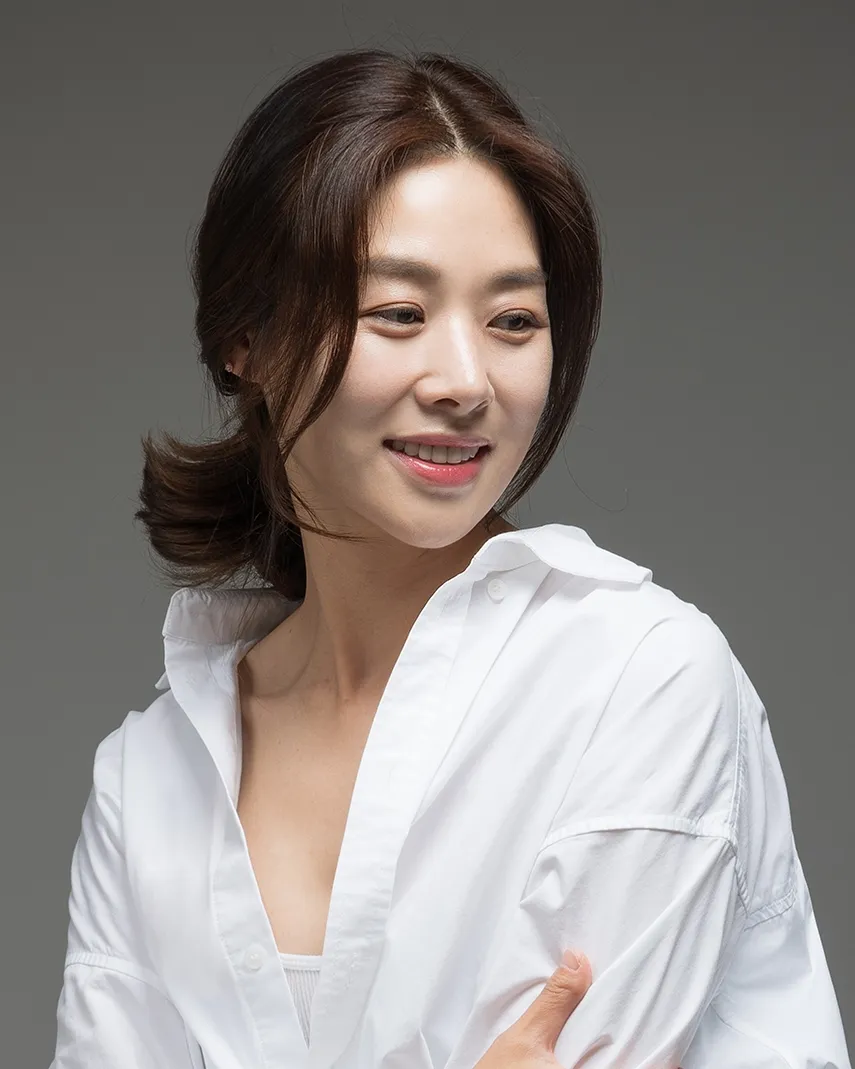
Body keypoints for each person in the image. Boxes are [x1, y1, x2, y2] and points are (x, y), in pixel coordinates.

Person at [50, 47, 850, 1069]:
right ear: (246, 338)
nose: (466, 381)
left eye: (514, 320)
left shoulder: (636, 682)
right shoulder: (149, 780)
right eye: (399, 313)